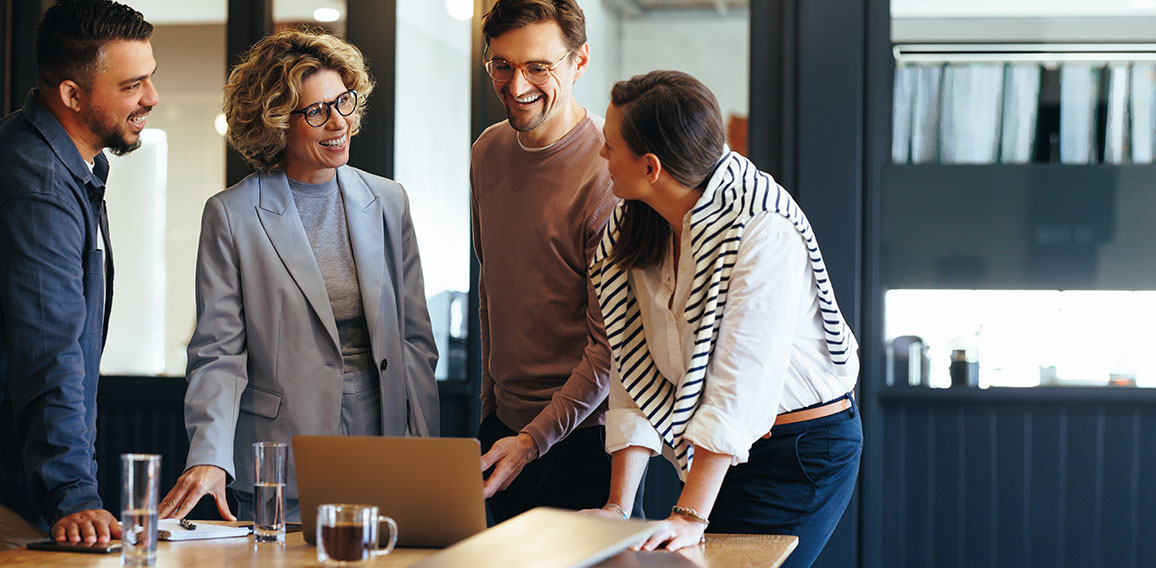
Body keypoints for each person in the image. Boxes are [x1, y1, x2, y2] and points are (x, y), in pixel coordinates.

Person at [158, 28, 439, 523]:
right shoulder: (232, 214)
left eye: (344, 102)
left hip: (384, 442)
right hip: (281, 452)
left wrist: (424, 452)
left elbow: (416, 342)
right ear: (276, 123)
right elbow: (217, 352)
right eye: (316, 111)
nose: (339, 122)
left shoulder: (388, 200)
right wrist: (209, 454)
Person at [584, 70, 862, 567]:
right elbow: (632, 360)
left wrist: (690, 514)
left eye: (609, 145)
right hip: (723, 454)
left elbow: (742, 385)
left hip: (799, 452)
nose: (601, 155)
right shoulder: (639, 220)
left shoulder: (763, 229)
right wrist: (618, 507)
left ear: (651, 166)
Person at [0, 0, 157, 551]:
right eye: (133, 84)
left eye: (151, 79)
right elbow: (50, 349)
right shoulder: (39, 183)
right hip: (17, 494)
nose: (151, 99)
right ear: (72, 94)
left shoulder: (67, 164)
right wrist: (73, 493)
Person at [472, 0, 625, 523]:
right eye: (502, 66)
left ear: (579, 62)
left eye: (539, 67)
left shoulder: (612, 169)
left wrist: (534, 439)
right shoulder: (487, 151)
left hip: (585, 441)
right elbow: (491, 287)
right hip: (502, 433)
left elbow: (612, 348)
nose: (517, 87)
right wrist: (492, 410)